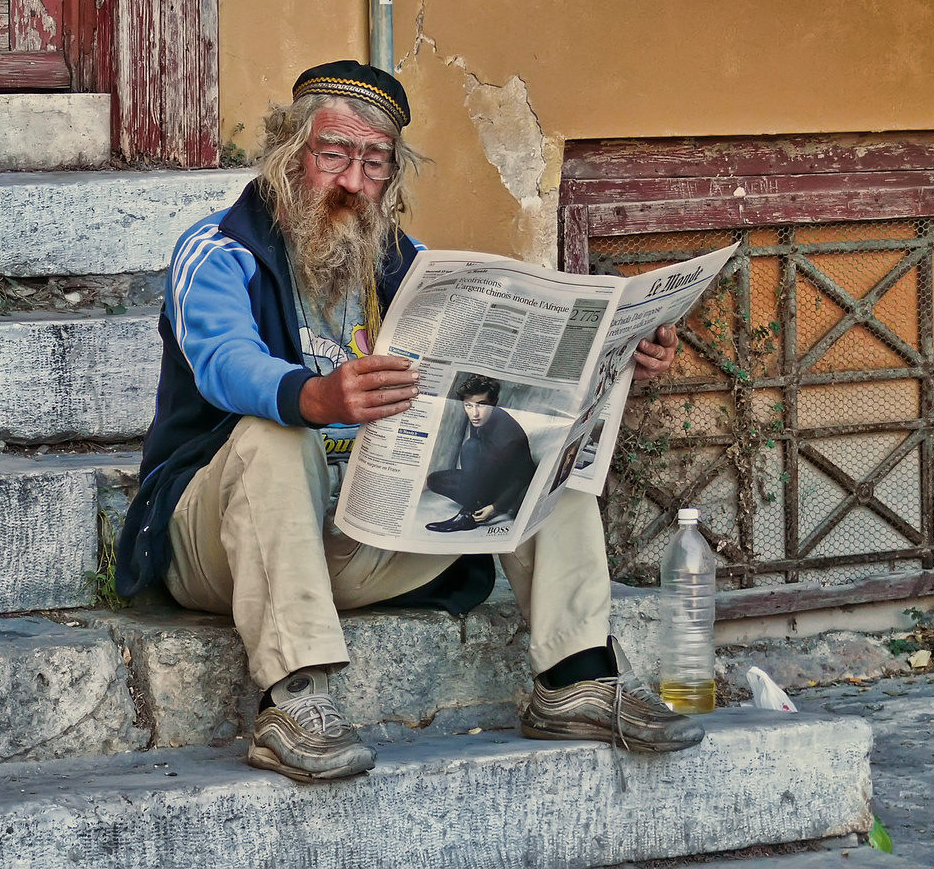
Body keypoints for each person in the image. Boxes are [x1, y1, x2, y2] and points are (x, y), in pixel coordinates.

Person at [114, 59, 698, 783]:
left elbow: (493, 384)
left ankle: (575, 678)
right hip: (218, 544)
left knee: (545, 441)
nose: (353, 183)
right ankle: (294, 699)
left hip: (363, 532)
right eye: (334, 156)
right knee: (275, 434)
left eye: (374, 163)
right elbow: (225, 362)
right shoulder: (219, 251)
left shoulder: (406, 266)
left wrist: (615, 356)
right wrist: (315, 397)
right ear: (289, 156)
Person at [424, 374, 538, 532]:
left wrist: (495, 507)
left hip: (504, 488)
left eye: (481, 405)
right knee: (434, 480)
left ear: (494, 403)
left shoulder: (509, 437)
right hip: (486, 479)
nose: (474, 413)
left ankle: (468, 514)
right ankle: (476, 499)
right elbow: (480, 461)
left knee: (470, 447)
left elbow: (523, 477)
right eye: (468, 406)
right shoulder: (480, 419)